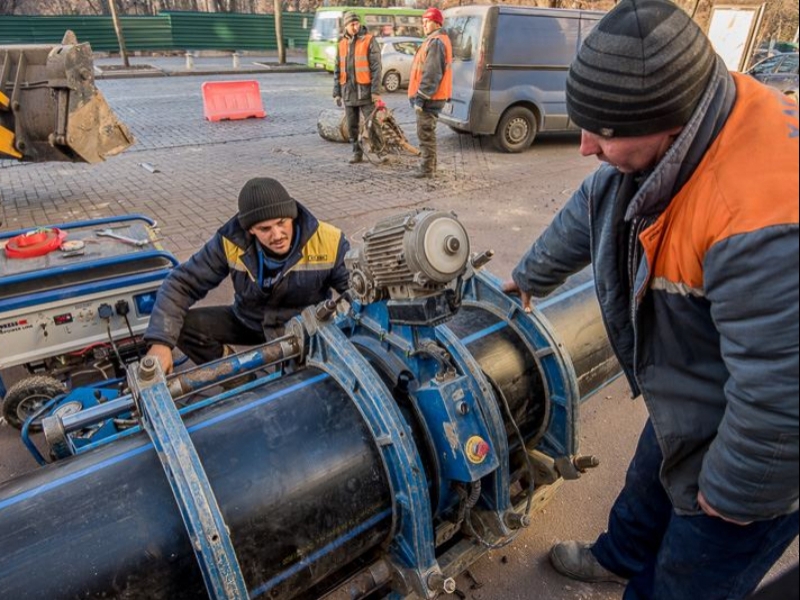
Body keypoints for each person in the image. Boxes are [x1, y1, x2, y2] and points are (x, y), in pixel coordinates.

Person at [502, 1, 799, 598]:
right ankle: (620, 555)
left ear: (668, 122)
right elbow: (597, 203)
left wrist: (736, 491)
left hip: (765, 448)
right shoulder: (692, 111)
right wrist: (529, 277)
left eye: (602, 133)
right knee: (650, 480)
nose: (585, 146)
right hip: (697, 386)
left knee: (688, 572)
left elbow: (783, 392)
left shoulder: (763, 223)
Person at [145, 177, 350, 374]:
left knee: (301, 387)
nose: (277, 235)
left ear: (293, 216)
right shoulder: (230, 242)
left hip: (305, 328)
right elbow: (181, 283)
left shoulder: (329, 240)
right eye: (265, 229)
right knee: (181, 327)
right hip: (250, 321)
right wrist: (161, 342)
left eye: (282, 223)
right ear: (250, 229)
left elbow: (354, 291)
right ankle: (237, 377)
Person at [407, 7, 452, 178]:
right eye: (423, 21)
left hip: (429, 98)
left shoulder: (436, 42)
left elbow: (432, 74)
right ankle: (430, 166)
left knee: (425, 134)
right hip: (432, 97)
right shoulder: (435, 40)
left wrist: (421, 98)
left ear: (437, 22)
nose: (423, 25)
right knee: (428, 133)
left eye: (427, 21)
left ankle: (426, 170)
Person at [333, 12, 382, 165]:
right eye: (352, 24)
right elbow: (337, 70)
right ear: (345, 26)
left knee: (372, 123)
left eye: (357, 23)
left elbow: (376, 68)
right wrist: (337, 93)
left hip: (365, 92)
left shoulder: (369, 40)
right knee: (351, 125)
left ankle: (381, 152)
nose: (355, 26)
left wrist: (375, 91)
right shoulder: (341, 44)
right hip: (348, 91)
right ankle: (357, 152)